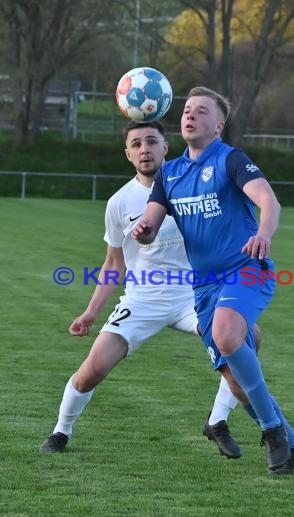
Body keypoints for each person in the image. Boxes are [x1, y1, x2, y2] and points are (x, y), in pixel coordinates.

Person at [38, 119, 251, 459]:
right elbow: (113, 264)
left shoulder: (192, 184)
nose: (144, 149)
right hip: (142, 297)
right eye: (136, 144)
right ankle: (60, 431)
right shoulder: (120, 202)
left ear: (166, 147)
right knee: (93, 369)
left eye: (151, 141)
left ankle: (217, 422)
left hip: (192, 295)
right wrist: (91, 311)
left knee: (247, 337)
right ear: (128, 154)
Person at [132, 86, 294, 475]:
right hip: (205, 287)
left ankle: (272, 431)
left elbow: (268, 200)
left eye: (201, 111)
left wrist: (264, 233)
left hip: (246, 267)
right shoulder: (170, 173)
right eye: (186, 110)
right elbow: (151, 222)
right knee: (237, 379)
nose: (190, 115)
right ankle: (292, 443)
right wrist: (143, 231)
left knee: (228, 335)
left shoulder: (231, 160)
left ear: (218, 125)